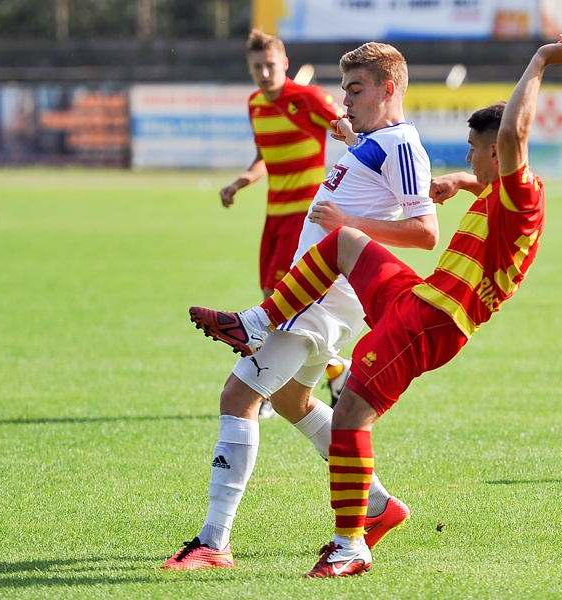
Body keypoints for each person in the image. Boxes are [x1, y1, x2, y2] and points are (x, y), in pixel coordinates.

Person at [190, 35, 562, 577]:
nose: (467, 156)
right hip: (418, 298)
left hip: (434, 321)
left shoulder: (521, 193)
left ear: (499, 153)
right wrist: (464, 181)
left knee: (347, 411)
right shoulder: (494, 192)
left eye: (474, 150)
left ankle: (345, 545)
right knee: (344, 248)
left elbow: (511, 135)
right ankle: (257, 321)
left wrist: (538, 62)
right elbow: (473, 177)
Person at [162, 41, 441, 571]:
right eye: (343, 88)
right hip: (318, 295)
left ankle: (213, 540)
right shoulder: (377, 141)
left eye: (356, 89)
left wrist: (349, 226)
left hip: (320, 300)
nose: (345, 98)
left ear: (390, 89)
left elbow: (425, 232)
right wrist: (351, 140)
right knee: (292, 402)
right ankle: (378, 506)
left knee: (239, 394)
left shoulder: (403, 144)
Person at [223, 29, 352, 418]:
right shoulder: (255, 105)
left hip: (307, 217)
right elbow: (263, 158)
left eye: (270, 65)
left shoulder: (310, 99)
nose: (264, 73)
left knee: (281, 305)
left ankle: (263, 391)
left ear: (285, 64)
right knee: (271, 297)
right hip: (274, 216)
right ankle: (337, 370)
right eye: (256, 67)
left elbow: (352, 134)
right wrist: (241, 182)